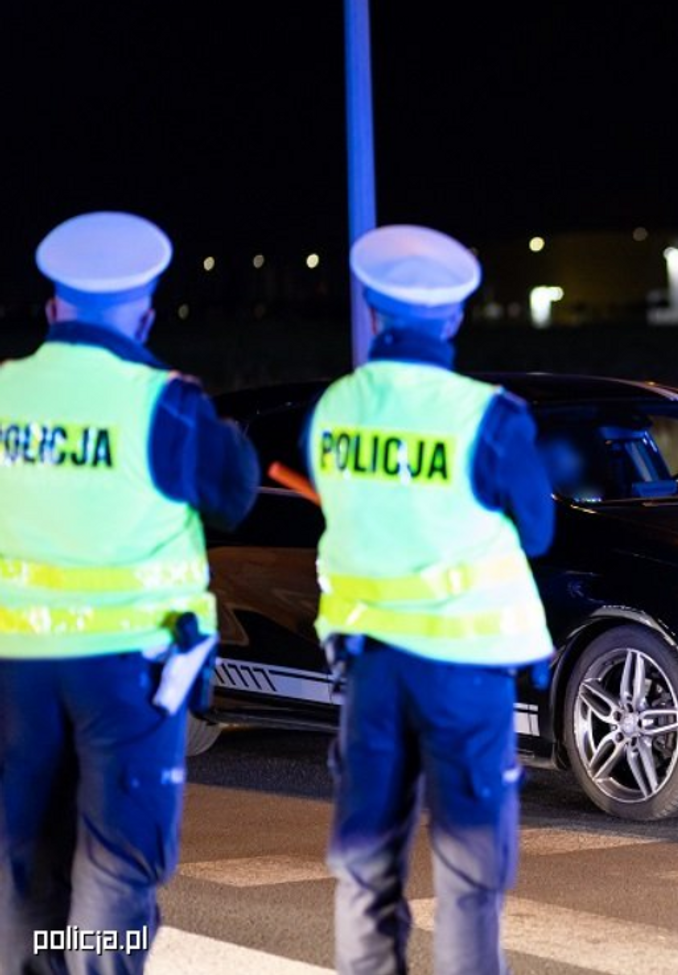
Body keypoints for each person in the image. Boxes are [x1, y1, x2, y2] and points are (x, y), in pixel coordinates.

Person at [0, 212, 260, 973]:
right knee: (114, 863)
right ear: (145, 313)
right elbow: (234, 489)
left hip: (15, 668)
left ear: (53, 309)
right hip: (130, 677)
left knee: (23, 860)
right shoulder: (165, 405)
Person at [310, 225, 554, 974]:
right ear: (452, 317)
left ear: (375, 312)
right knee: (470, 873)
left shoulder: (335, 407)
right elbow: (539, 529)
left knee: (365, 864)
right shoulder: (490, 415)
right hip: (465, 672)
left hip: (372, 668)